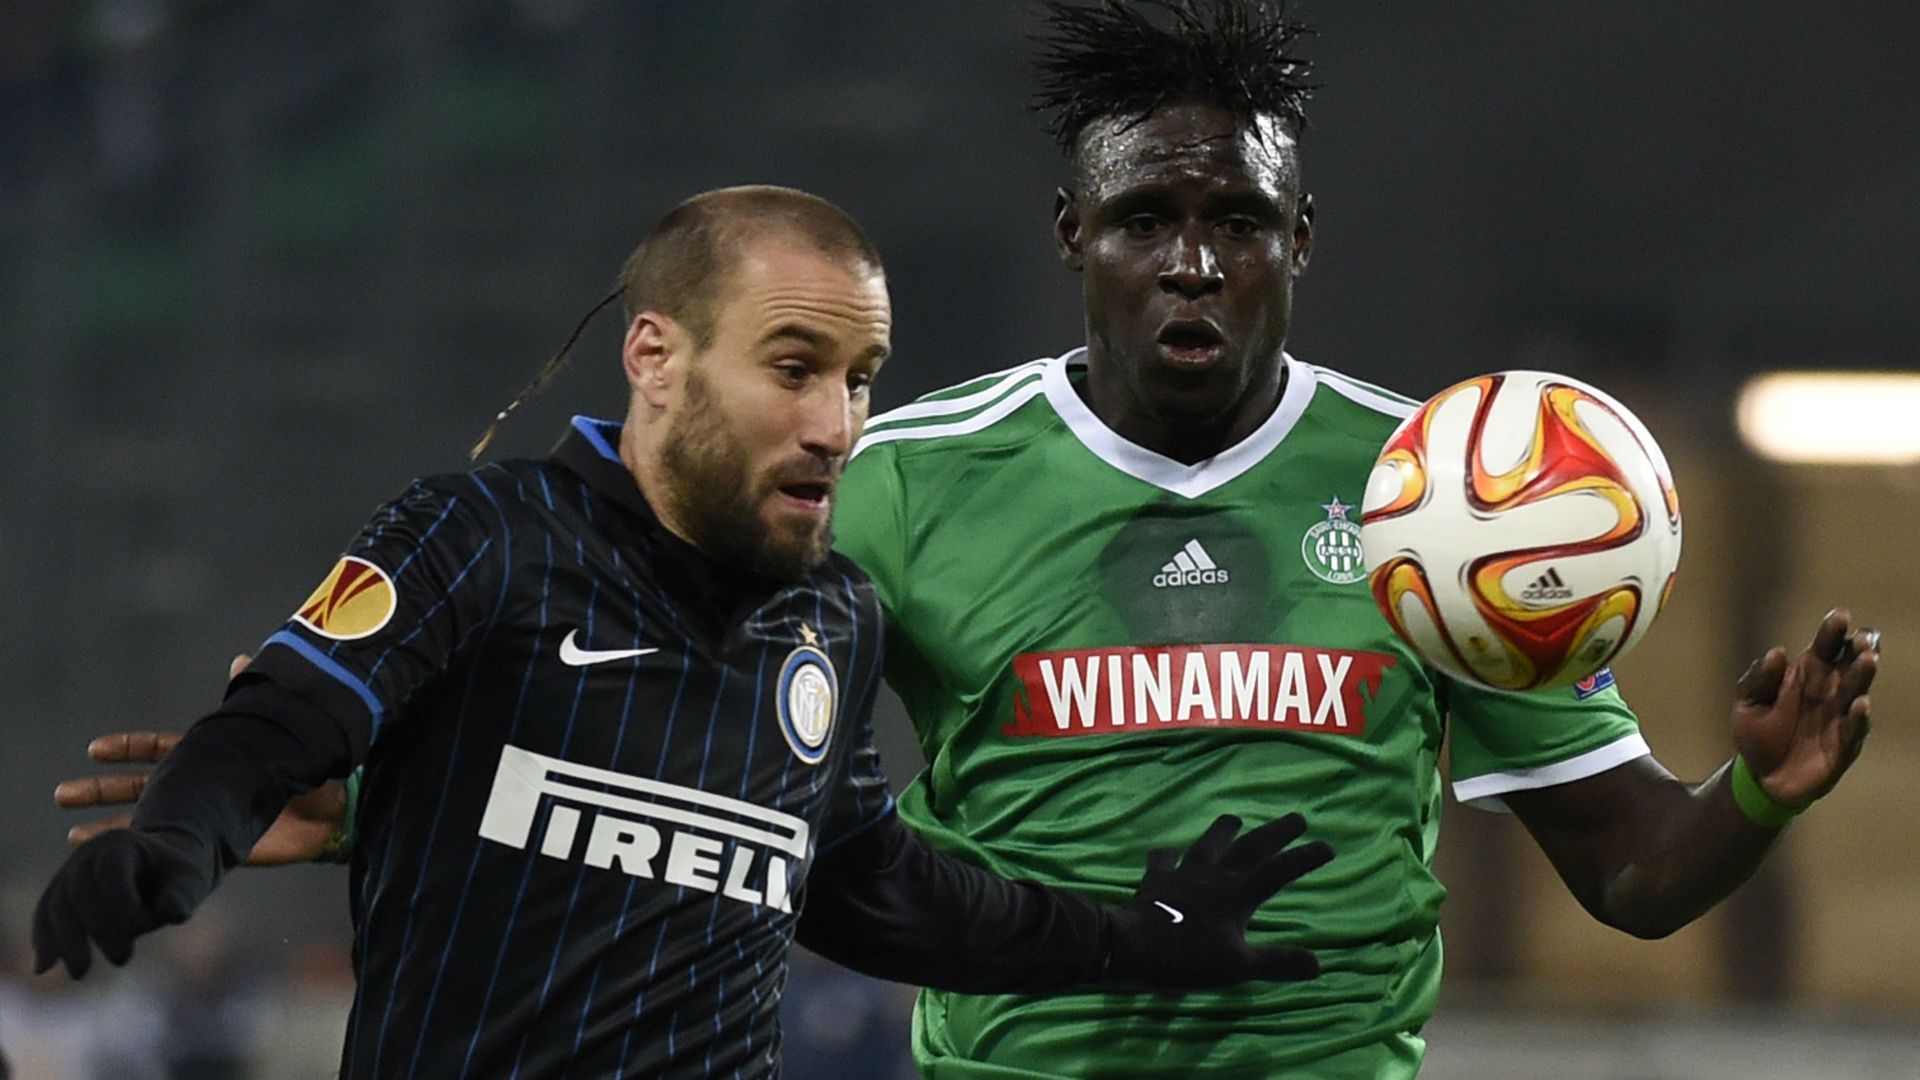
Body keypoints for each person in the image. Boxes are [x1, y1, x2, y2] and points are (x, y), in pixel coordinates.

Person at [58, 4, 1883, 1077]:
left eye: (1235, 221)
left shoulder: (1444, 498)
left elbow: (1628, 875)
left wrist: (1763, 789)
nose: (1191, 257)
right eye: (1146, 215)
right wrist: (388, 785)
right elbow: (660, 707)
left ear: (1299, 241)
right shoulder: (896, 477)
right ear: (1069, 234)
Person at [33, 185, 1337, 1079]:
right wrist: (173, 847)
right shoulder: (483, 535)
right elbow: (280, 722)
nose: (837, 423)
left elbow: (876, 890)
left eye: (861, 379)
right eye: (793, 367)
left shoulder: (832, 621)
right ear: (656, 356)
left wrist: (1138, 936)